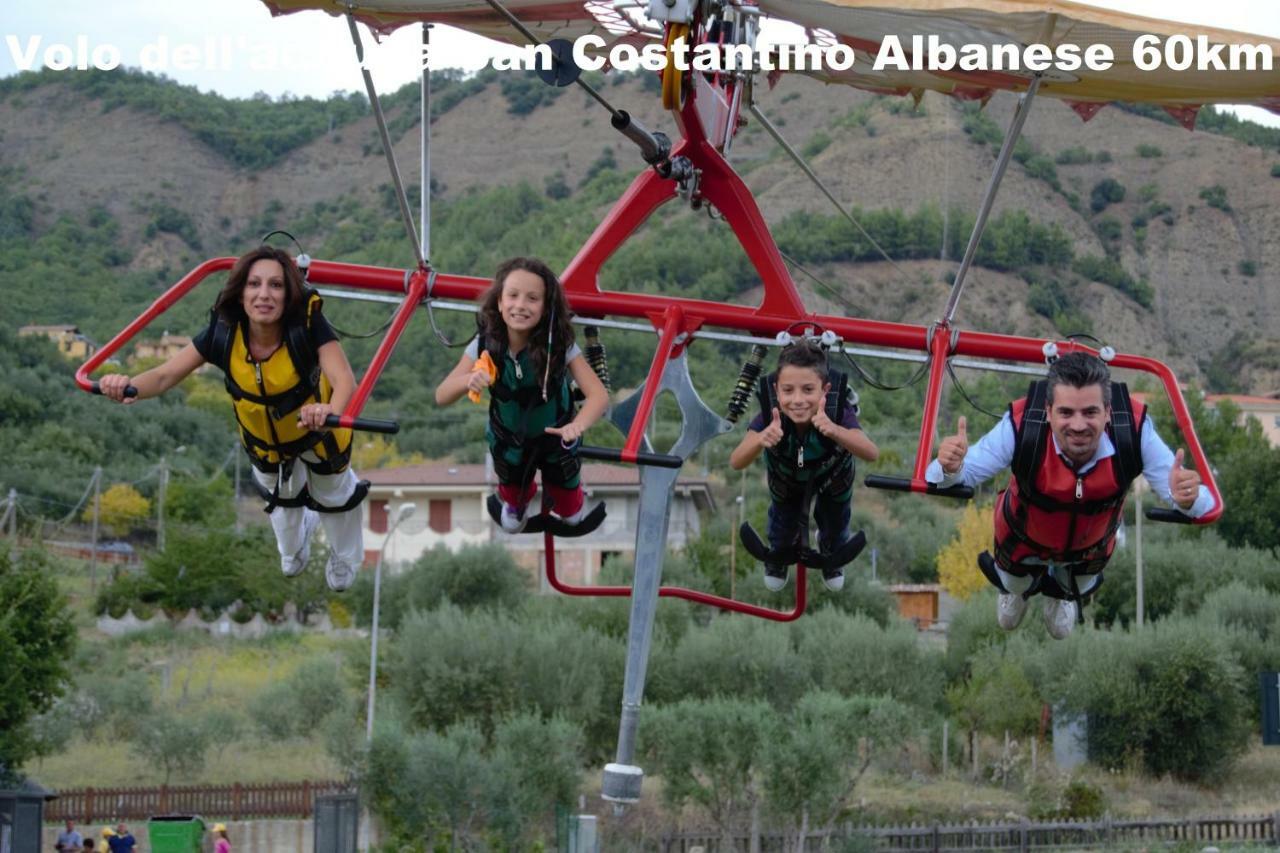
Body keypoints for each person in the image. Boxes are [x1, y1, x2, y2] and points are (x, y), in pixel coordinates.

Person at [97, 245, 367, 591]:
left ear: (289, 295)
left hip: (319, 430)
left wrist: (329, 411)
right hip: (266, 443)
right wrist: (126, 386)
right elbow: (165, 376)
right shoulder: (223, 334)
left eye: (276, 285)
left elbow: (345, 380)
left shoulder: (307, 326)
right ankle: (299, 537)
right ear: (241, 293)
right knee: (285, 530)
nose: (264, 295)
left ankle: (346, 557)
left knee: (335, 494)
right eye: (254, 285)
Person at [927, 351, 1211, 639]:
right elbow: (952, 475)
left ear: (1108, 412)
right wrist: (950, 466)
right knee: (1012, 595)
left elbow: (1203, 503)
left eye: (1090, 412)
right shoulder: (1022, 426)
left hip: (1090, 547)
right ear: (1048, 411)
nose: (1078, 426)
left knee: (1077, 592)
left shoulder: (1133, 431)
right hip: (1023, 537)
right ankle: (1017, 589)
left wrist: (1188, 499)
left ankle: (1062, 592)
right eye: (1066, 413)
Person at [435, 257, 608, 533]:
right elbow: (442, 395)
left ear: (546, 306)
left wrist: (578, 424)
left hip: (555, 436)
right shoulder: (484, 345)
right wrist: (469, 379)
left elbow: (598, 395)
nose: (520, 305)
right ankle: (516, 502)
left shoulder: (560, 345)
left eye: (532, 299)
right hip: (510, 439)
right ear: (500, 302)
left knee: (569, 508)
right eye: (513, 296)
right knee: (512, 493)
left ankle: (569, 503)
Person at [729, 339, 879, 592]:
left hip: (833, 476)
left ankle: (832, 550)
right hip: (787, 479)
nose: (798, 400)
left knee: (836, 519)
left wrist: (835, 431)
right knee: (782, 520)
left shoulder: (836, 411)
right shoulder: (770, 417)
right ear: (777, 391)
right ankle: (779, 553)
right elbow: (736, 461)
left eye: (808, 390)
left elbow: (871, 452)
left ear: (824, 390)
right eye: (788, 391)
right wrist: (760, 439)